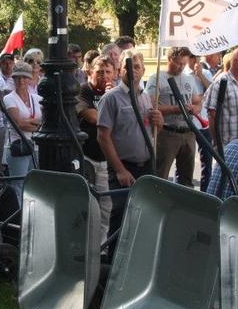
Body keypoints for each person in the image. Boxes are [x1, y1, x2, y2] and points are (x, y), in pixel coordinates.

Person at [97, 50, 163, 191]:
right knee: (121, 211)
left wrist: (159, 122)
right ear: (121, 70)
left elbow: (151, 131)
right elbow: (103, 137)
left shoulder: (145, 98)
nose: (133, 70)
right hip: (124, 167)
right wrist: (120, 170)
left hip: (146, 166)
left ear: (143, 70)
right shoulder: (111, 98)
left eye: (137, 67)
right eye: (128, 67)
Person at [146, 47, 199, 188]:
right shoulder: (157, 78)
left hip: (188, 132)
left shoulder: (189, 78)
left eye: (184, 63)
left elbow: (197, 101)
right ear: (169, 60)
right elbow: (151, 106)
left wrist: (194, 109)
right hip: (167, 132)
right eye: (178, 63)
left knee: (186, 177)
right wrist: (175, 109)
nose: (181, 67)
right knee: (161, 174)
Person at [77, 56, 115, 237]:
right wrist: (111, 102)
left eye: (108, 72)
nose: (104, 76)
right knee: (87, 203)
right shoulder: (83, 91)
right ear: (91, 72)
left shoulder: (117, 93)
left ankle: (101, 247)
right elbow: (94, 117)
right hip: (87, 156)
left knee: (106, 205)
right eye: (100, 72)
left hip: (108, 158)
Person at [3, 61, 42, 199]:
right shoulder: (9, 98)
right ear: (13, 78)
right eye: (17, 77)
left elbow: (45, 121)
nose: (21, 80)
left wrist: (28, 122)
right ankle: (18, 217)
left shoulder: (37, 98)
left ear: (30, 78)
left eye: (24, 77)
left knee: (34, 184)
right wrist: (37, 125)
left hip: (36, 146)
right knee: (18, 184)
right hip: (18, 145)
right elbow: (18, 124)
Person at [203, 48, 238, 150]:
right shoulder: (221, 83)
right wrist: (218, 144)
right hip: (228, 147)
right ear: (235, 61)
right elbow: (212, 116)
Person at [187, 53, 215, 192]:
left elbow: (211, 90)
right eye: (192, 57)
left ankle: (205, 191)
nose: (195, 60)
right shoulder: (184, 74)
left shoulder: (206, 73)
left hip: (203, 122)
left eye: (197, 57)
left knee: (207, 159)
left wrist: (200, 75)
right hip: (189, 122)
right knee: (187, 159)